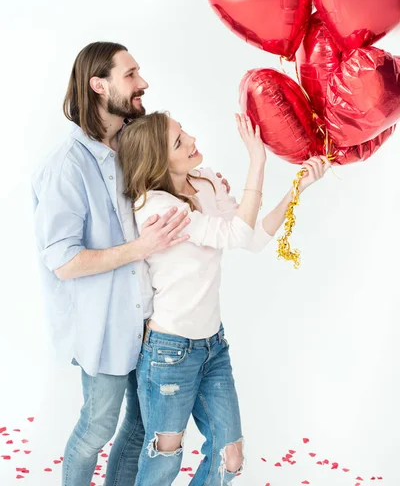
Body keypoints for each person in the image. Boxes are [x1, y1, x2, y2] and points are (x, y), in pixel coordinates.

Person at [32, 42, 231, 486]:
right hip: (102, 329)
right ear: (98, 86)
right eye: (131, 74)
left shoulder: (130, 142)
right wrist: (140, 247)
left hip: (153, 325)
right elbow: (63, 262)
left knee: (141, 427)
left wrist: (208, 185)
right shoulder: (67, 167)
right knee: (97, 428)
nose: (143, 84)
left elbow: (166, 183)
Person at [118, 111, 330, 485]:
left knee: (230, 455)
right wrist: (257, 160)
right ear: (157, 159)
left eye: (184, 132)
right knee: (164, 458)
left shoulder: (206, 184)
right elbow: (235, 233)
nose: (191, 140)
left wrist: (297, 189)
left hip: (212, 346)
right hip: (169, 352)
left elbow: (250, 239)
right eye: (179, 142)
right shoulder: (157, 207)